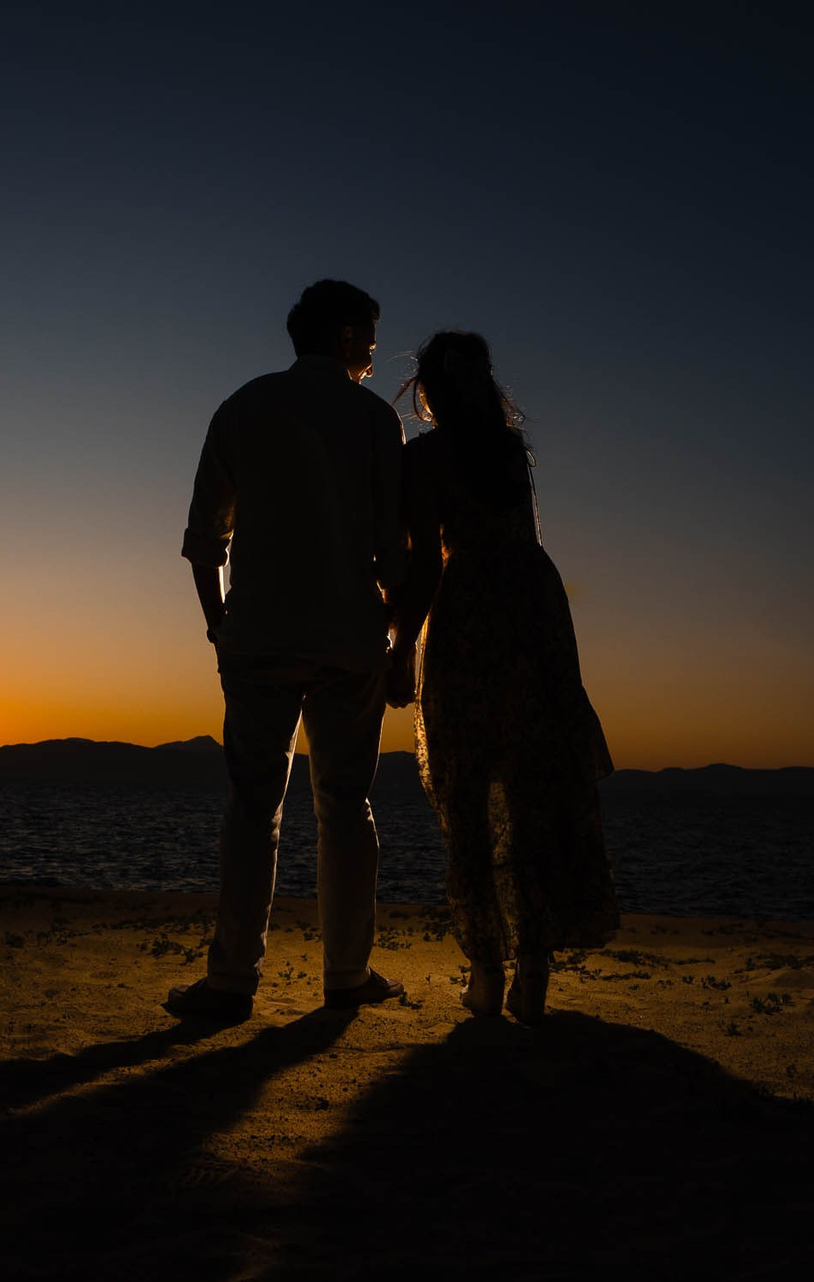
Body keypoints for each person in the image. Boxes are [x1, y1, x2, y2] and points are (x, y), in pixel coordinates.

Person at [164, 280, 408, 1024]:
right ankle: (347, 972)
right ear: (342, 338)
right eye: (368, 335)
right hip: (349, 642)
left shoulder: (242, 408)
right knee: (345, 804)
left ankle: (233, 979)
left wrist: (219, 627)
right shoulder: (372, 419)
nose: (373, 349)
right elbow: (394, 547)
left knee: (252, 806)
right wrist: (399, 639)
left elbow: (205, 540)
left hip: (259, 639)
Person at [387, 331, 618, 1022]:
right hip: (537, 614)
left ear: (427, 391)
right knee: (531, 788)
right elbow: (529, 541)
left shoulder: (424, 458)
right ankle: (534, 968)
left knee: (465, 790)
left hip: (473, 619)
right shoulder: (510, 451)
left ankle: (487, 971)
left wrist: (400, 647)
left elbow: (426, 563)